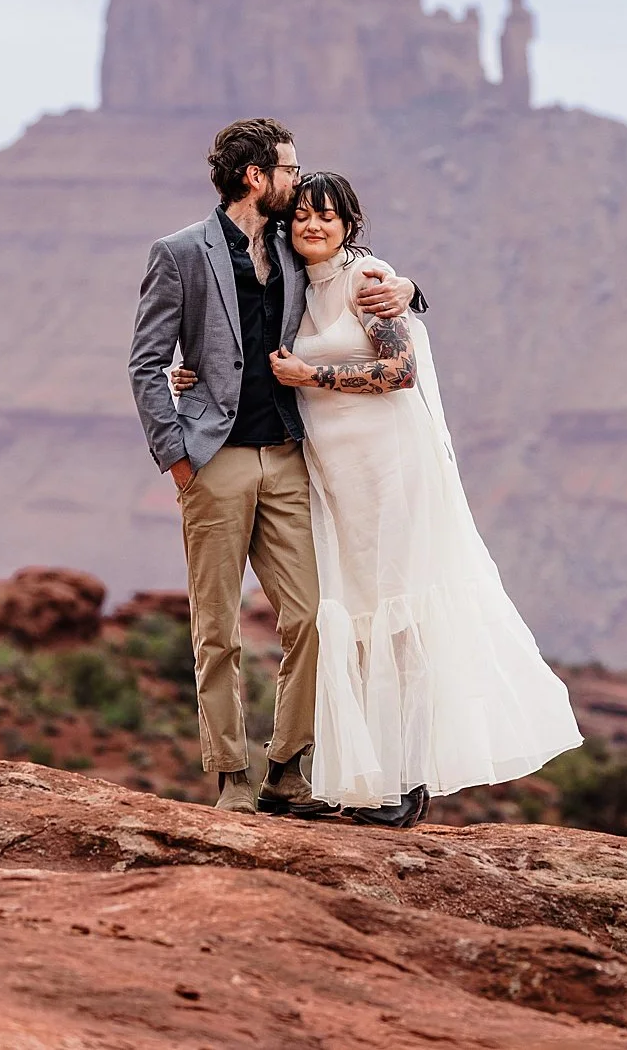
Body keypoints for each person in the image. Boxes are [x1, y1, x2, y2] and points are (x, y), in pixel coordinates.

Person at [183, 171, 580, 827]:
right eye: (304, 215)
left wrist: (315, 373)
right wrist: (191, 371)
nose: (314, 225)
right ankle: (368, 780)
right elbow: (246, 349)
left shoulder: (369, 280)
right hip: (332, 477)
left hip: (388, 471)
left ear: (349, 224)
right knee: (352, 616)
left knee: (395, 618)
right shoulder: (292, 289)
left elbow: (400, 372)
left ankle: (405, 781)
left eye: (328, 217)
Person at [127, 119, 421, 815]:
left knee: (315, 618)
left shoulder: (291, 246)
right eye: (289, 169)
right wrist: (177, 458)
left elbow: (354, 263)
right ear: (257, 177)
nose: (298, 179)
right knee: (218, 630)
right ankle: (231, 777)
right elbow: (145, 362)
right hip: (214, 462)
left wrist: (407, 286)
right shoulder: (179, 254)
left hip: (288, 457)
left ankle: (287, 769)